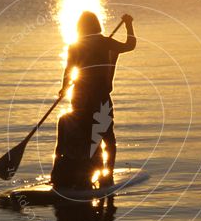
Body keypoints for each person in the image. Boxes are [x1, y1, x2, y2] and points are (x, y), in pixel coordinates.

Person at [50, 11, 136, 190]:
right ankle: (106, 175)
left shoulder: (75, 46)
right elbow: (130, 44)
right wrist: (128, 24)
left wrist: (64, 87)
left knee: (85, 137)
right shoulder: (106, 42)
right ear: (96, 25)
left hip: (80, 99)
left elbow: (68, 70)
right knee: (107, 138)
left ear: (80, 28)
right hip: (100, 99)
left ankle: (84, 173)